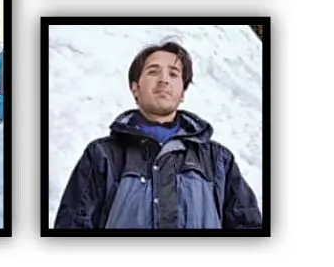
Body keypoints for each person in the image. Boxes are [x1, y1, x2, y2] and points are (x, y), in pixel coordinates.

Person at [53, 41, 263, 230]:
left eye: (173, 74)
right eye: (153, 72)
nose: (164, 80)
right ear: (135, 88)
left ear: (182, 93)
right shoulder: (102, 155)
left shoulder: (218, 160)